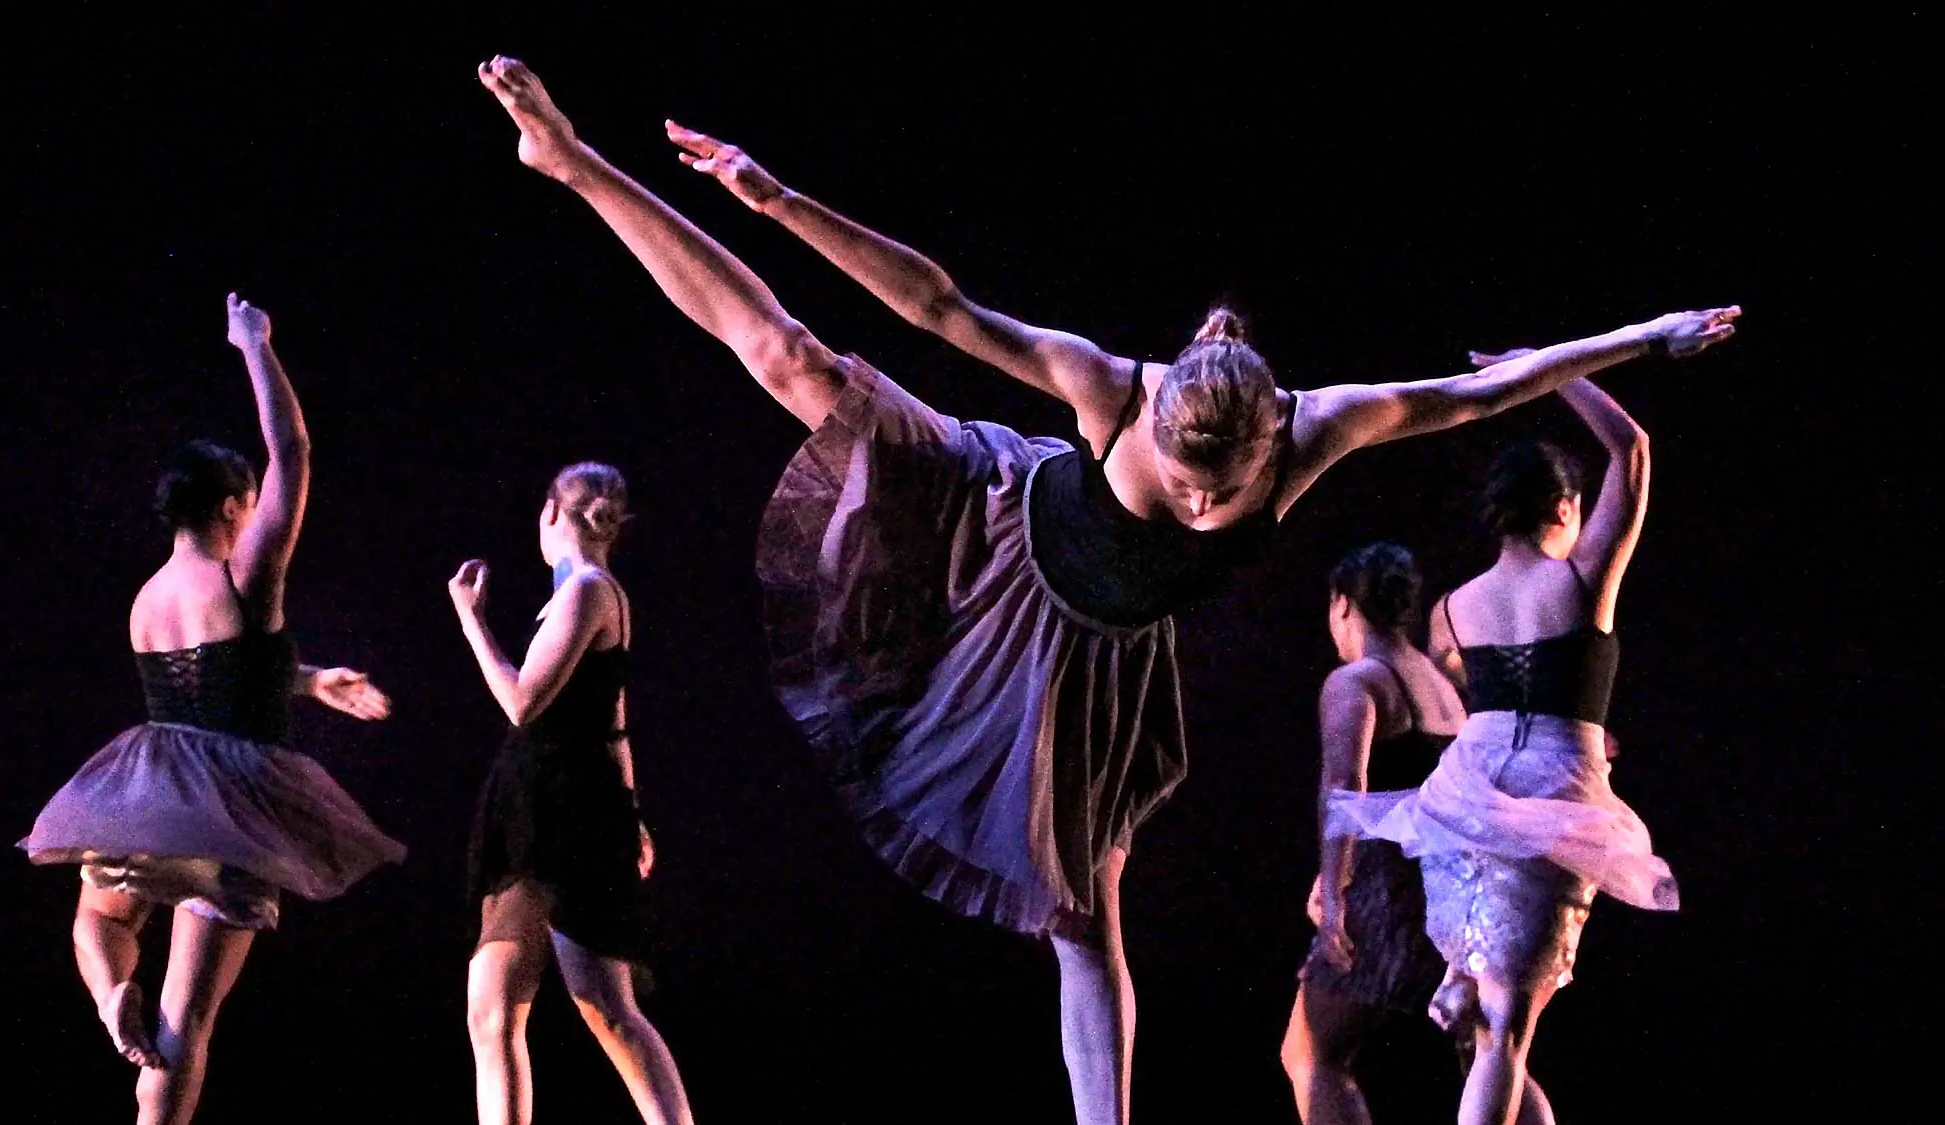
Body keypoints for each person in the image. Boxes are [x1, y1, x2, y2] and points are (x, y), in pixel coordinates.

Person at [477, 56, 1736, 1125]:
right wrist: (781, 199)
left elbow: (1477, 395)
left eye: (1217, 495)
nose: (1199, 509)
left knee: (1083, 915)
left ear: (1266, 449)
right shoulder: (1108, 387)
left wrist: (1647, 335)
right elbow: (935, 302)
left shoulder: (1317, 428)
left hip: (1101, 652)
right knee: (795, 362)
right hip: (997, 529)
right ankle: (574, 163)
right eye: (1182, 486)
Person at [20, 295, 407, 1125]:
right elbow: (294, 451)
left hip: (146, 791)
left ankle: (108, 992)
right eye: (251, 500)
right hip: (230, 811)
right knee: (186, 1021)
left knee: (99, 918)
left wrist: (307, 680)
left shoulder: (146, 599)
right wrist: (255, 344)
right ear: (234, 508)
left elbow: (209, 680)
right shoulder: (245, 576)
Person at [1326, 366, 1678, 1125]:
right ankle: (1460, 982)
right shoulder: (1583, 580)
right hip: (1552, 797)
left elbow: (1475, 710)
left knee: (1493, 1022)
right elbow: (1635, 449)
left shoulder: (1453, 609)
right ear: (1564, 506)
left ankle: (1457, 975)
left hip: (1472, 794)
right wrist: (1557, 367)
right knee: (1505, 1035)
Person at [449, 461, 694, 1125]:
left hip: (563, 810)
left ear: (552, 513)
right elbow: (613, 719)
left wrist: (471, 620)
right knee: (494, 999)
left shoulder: (588, 589)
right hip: (545, 803)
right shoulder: (578, 594)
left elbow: (524, 702)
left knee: (605, 1007)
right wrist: (634, 810)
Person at [1281, 542, 1539, 1124]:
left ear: (1343, 606)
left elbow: (1344, 790)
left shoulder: (1358, 682)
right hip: (1460, 892)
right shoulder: (1443, 689)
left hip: (1391, 892)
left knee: (1314, 1053)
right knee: (1490, 1054)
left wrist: (1332, 890)